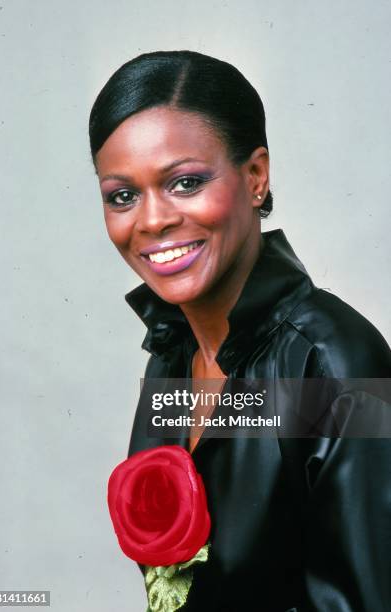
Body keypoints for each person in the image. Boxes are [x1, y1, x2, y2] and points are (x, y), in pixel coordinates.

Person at [89, 51, 391, 611]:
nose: (151, 219)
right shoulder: (171, 349)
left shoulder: (335, 365)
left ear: (256, 177)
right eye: (123, 196)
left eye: (184, 182)